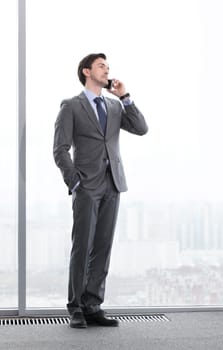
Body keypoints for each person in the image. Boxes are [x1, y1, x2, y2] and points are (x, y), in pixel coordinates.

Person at [53, 53, 148, 328]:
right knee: (82, 246)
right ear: (86, 71)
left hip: (112, 183)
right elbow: (60, 149)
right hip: (86, 185)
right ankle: (75, 308)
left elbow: (141, 128)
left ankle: (93, 304)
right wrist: (74, 181)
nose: (107, 70)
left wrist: (125, 96)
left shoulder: (115, 106)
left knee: (103, 246)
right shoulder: (71, 106)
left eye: (108, 66)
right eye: (101, 66)